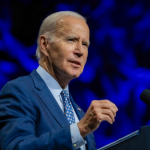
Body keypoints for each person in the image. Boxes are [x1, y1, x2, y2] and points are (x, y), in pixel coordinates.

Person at [0, 11, 118, 150]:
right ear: (45, 45)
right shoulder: (19, 91)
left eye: (85, 44)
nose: (80, 51)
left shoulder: (79, 113)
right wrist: (80, 129)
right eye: (71, 40)